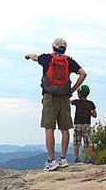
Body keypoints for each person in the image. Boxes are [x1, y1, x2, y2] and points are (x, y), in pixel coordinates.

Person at [25, 38, 87, 171]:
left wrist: (29, 56)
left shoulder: (46, 58)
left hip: (50, 97)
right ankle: (63, 159)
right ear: (65, 49)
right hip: (64, 98)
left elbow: (36, 57)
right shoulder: (69, 61)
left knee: (49, 128)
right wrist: (73, 89)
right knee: (65, 129)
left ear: (53, 47)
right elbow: (83, 73)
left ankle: (51, 160)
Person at [71, 84, 97, 164]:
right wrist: (91, 112)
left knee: (76, 142)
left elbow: (69, 101)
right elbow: (95, 115)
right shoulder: (91, 103)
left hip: (77, 124)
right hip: (87, 125)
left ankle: (76, 158)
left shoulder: (76, 102)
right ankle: (90, 159)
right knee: (88, 143)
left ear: (79, 94)